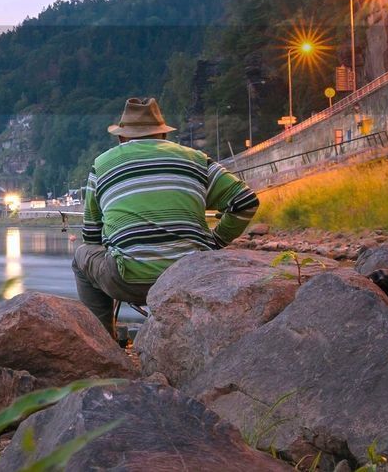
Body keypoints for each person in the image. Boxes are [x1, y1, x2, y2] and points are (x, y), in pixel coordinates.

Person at [73, 97, 260, 336]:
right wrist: (216, 242)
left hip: (129, 281)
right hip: (190, 277)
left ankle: (103, 342)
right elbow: (245, 201)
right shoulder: (197, 159)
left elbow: (91, 236)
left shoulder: (101, 165)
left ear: (121, 137)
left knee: (81, 256)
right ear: (163, 135)